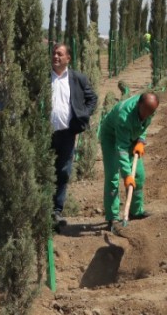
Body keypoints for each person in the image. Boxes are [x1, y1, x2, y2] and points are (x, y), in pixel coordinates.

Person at [48, 44, 98, 227]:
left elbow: (92, 98)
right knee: (44, 171)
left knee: (63, 171)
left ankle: (56, 210)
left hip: (67, 133)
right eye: (54, 53)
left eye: (60, 54)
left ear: (68, 58)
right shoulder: (44, 78)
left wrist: (83, 114)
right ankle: (43, 207)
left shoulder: (77, 78)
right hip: (46, 134)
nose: (56, 57)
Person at [100, 90, 159, 232]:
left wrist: (141, 140)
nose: (146, 115)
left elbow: (144, 124)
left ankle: (135, 211)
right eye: (144, 111)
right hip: (112, 137)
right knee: (113, 176)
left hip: (132, 136)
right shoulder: (124, 116)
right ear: (139, 104)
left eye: (149, 113)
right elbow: (121, 149)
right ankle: (113, 217)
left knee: (138, 175)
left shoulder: (150, 109)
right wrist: (126, 175)